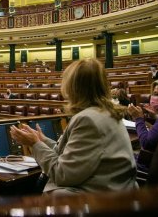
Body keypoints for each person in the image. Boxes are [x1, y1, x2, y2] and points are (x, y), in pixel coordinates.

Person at [10, 59, 137, 194]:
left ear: (73, 87)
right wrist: (43, 140)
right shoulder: (106, 112)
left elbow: (62, 174)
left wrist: (34, 144)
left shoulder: (88, 120)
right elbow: (74, 154)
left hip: (97, 200)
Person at [127, 79, 158, 153]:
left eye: (156, 94)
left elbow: (146, 143)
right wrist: (156, 116)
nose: (152, 97)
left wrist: (138, 118)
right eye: (153, 94)